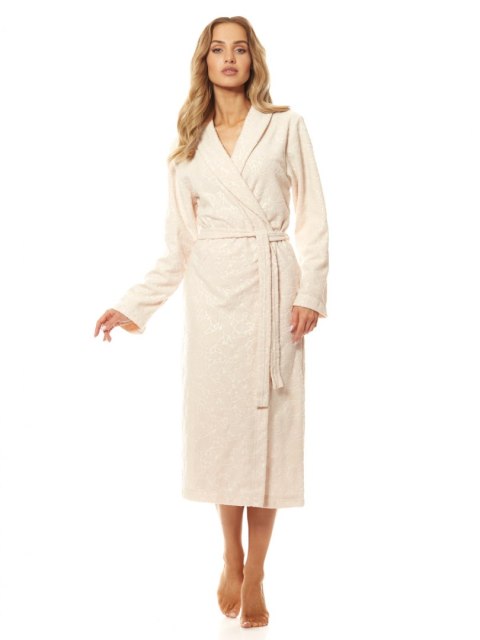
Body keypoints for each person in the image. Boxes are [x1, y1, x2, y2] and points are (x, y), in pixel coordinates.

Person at [94, 16, 329, 629]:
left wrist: (312, 290)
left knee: (270, 432)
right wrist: (134, 304)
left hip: (274, 292)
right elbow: (179, 247)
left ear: (253, 60)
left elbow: (313, 217)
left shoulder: (285, 125)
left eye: (240, 49)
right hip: (215, 298)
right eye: (218, 49)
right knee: (226, 433)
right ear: (204, 62)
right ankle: (231, 555)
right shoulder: (189, 146)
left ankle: (257, 572)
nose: (229, 58)